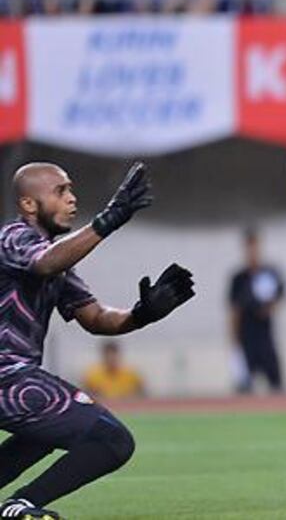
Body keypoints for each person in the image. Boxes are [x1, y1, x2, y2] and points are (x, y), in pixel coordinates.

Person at [0, 161, 195, 519]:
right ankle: (21, 507)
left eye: (72, 190)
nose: (72, 199)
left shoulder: (57, 256)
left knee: (44, 435)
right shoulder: (12, 238)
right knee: (112, 439)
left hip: (14, 379)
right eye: (61, 191)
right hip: (8, 377)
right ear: (29, 204)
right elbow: (43, 263)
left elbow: (95, 318)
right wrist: (108, 220)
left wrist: (142, 313)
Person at [228, 228, 285, 393]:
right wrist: (234, 342)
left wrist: (269, 308)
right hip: (246, 337)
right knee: (244, 385)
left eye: (255, 247)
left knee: (276, 382)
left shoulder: (270, 273)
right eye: (249, 247)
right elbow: (234, 310)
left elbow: (279, 295)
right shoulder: (239, 278)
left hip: (266, 337)